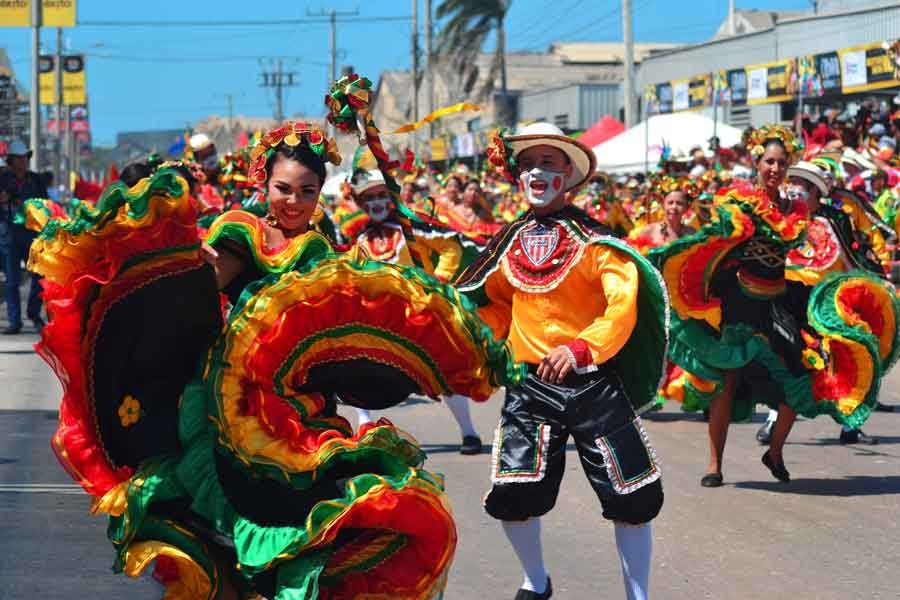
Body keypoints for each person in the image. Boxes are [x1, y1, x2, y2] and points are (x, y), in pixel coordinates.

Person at [30, 118, 516, 599]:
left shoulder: (321, 250)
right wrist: (185, 265)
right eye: (283, 188)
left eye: (307, 191)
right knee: (239, 520)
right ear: (263, 183)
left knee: (333, 511)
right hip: (230, 404)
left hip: (302, 404)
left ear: (320, 192)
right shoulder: (243, 236)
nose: (294, 202)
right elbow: (200, 292)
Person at [458, 122, 668, 600]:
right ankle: (535, 580)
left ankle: (639, 596)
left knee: (631, 495)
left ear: (569, 174)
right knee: (514, 493)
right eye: (528, 162)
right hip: (529, 385)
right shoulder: (506, 244)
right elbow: (494, 307)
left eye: (548, 162)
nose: (536, 171)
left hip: (592, 382)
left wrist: (579, 348)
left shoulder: (596, 241)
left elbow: (623, 305)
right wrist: (463, 321)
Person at [653, 125, 899, 487]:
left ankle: (776, 451)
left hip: (777, 304)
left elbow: (812, 255)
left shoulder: (796, 210)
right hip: (739, 303)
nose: (775, 168)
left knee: (799, 380)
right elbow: (718, 243)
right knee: (727, 380)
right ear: (757, 162)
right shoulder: (739, 202)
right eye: (769, 161)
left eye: (781, 163)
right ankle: (714, 465)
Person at [346, 167, 484, 454]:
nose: (376, 203)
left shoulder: (411, 229)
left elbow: (450, 248)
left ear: (392, 198)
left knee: (445, 370)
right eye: (369, 197)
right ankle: (363, 425)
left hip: (421, 312)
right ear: (361, 204)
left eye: (382, 195)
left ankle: (469, 433)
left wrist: (437, 283)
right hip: (381, 320)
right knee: (358, 366)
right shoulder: (360, 241)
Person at [0, 140, 47, 333]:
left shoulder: (36, 180)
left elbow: (46, 205)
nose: (24, 161)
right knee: (12, 281)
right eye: (20, 157)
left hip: (32, 236)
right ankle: (14, 322)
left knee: (39, 276)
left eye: (26, 157)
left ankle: (34, 314)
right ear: (11, 160)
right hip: (9, 236)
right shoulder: (2, 179)